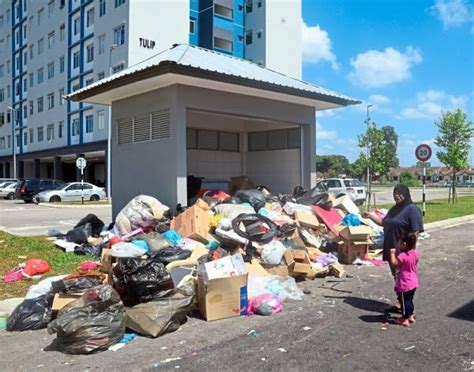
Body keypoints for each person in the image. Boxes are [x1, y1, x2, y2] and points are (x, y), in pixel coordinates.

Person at [363, 184, 423, 310]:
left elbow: (415, 232)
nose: (397, 196)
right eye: (395, 193)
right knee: (397, 278)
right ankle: (401, 302)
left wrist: (407, 252)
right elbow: (384, 223)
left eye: (400, 193)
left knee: (405, 278)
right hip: (391, 250)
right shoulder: (394, 209)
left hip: (403, 252)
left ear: (406, 194)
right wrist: (371, 216)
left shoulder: (412, 209)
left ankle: (407, 307)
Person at [389, 231, 419, 326]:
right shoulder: (415, 253)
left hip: (405, 283)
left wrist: (392, 254)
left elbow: (394, 264)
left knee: (404, 302)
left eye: (399, 242)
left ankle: (404, 319)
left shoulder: (402, 256)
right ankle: (410, 316)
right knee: (409, 300)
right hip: (413, 281)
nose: (398, 244)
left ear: (404, 244)